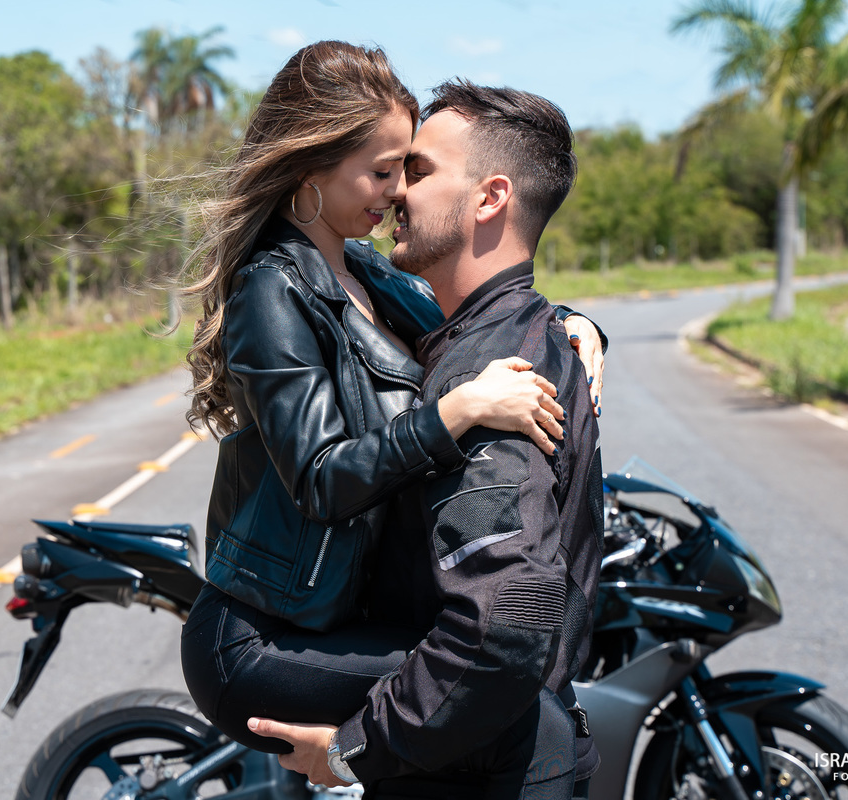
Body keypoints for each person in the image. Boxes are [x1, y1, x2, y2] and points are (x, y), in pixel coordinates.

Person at [178, 42, 604, 796]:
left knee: (501, 684)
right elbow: (320, 479)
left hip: (332, 616)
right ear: (313, 166)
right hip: (260, 634)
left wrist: (574, 326)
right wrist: (454, 413)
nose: (396, 191)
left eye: (409, 169)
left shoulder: (369, 271)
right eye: (383, 171)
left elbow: (475, 315)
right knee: (510, 690)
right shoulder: (270, 290)